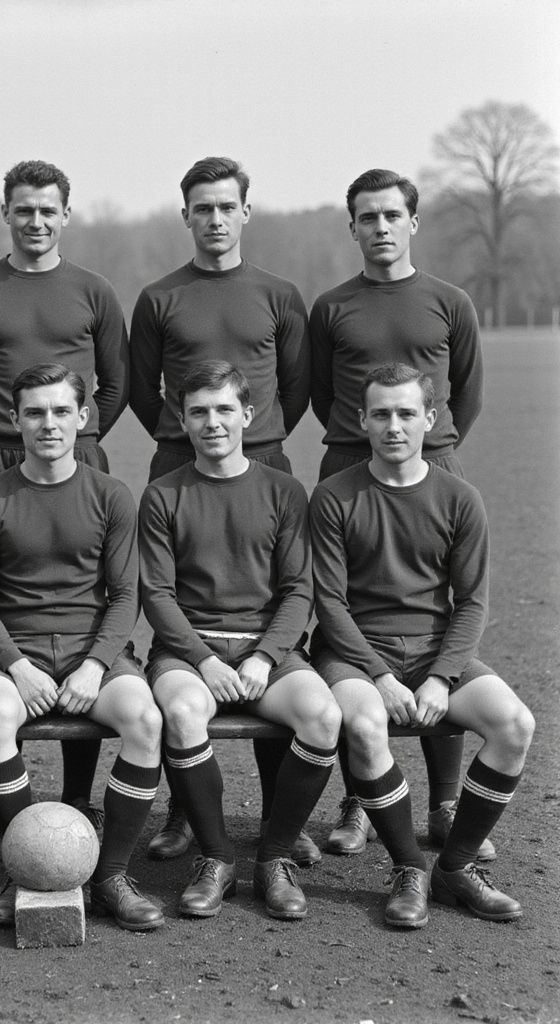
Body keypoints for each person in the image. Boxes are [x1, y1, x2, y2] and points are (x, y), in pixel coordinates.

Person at [128, 156, 315, 864]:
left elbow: (296, 388)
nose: (214, 219)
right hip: (181, 461)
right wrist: (188, 434)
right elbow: (141, 390)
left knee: (268, 611)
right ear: (186, 215)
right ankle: (185, 815)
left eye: (225, 206)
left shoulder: (278, 294)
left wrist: (253, 437)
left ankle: (277, 819)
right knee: (185, 615)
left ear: (245, 212)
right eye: (201, 208)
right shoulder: (159, 297)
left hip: (262, 461)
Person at [0, 160, 128, 862]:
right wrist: (7, 431)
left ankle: (78, 799)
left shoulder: (93, 289)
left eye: (48, 210)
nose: (35, 221)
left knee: (82, 596)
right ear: (6, 213)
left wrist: (76, 434)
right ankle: (7, 813)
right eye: (23, 209)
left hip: (74, 450)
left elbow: (117, 383)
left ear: (65, 215)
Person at [309, 363, 533, 928]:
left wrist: (440, 676)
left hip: (435, 653)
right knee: (365, 726)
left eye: (406, 413)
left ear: (429, 419)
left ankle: (456, 867)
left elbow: (473, 603)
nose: (394, 426)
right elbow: (329, 604)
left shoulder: (461, 498)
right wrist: (381, 677)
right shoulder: (334, 496)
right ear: (362, 420)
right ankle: (409, 868)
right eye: (381, 414)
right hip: (354, 654)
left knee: (515, 725)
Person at [309, 168, 487, 859]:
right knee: (351, 615)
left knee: (434, 615)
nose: (380, 227)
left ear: (413, 222)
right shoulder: (332, 307)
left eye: (391, 215)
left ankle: (444, 801)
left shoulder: (449, 302)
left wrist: (430, 448)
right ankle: (358, 800)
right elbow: (318, 393)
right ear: (352, 226)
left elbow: (467, 393)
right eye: (367, 217)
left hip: (431, 464)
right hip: (349, 469)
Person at [0, 363, 163, 931]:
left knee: (145, 720)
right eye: (34, 412)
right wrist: (16, 667)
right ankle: (25, 865)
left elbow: (126, 595)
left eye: (60, 411)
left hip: (93, 651)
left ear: (82, 417)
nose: (48, 423)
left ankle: (110, 875)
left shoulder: (111, 494)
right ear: (15, 420)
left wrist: (95, 665)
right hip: (14, 652)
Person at [139, 362, 339, 920]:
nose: (213, 422)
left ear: (248, 415)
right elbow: (157, 595)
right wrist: (204, 660)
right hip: (189, 651)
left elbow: (299, 590)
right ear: (183, 420)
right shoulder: (162, 495)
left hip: (267, 651)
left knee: (322, 716)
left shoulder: (284, 491)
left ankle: (275, 857)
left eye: (225, 409)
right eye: (199, 412)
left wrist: (264, 657)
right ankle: (218, 858)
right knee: (182, 713)